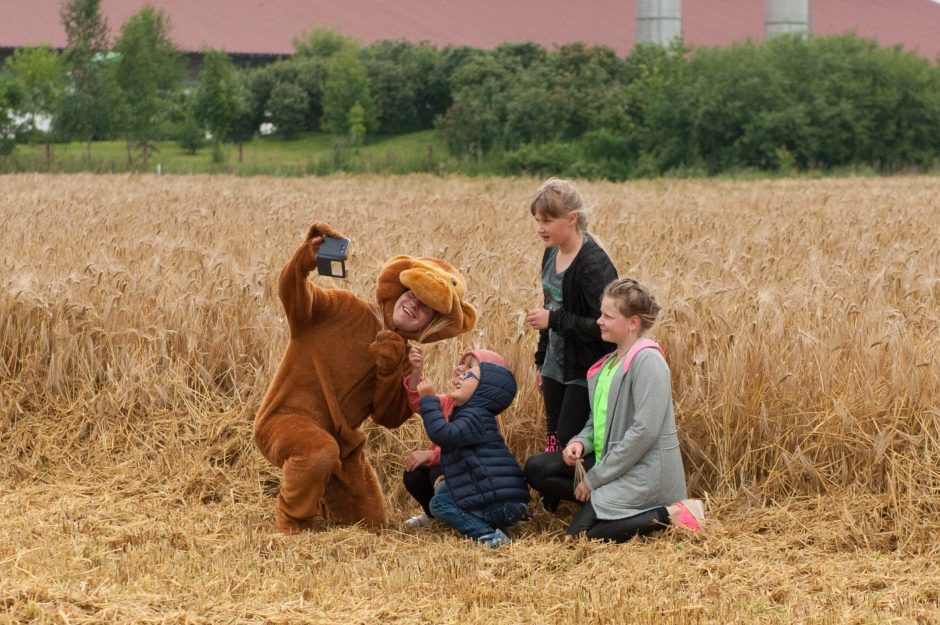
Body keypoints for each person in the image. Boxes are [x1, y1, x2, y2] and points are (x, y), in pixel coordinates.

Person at [253, 221, 477, 533]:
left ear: (433, 323)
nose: (413, 304)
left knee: (371, 523)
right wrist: (307, 259)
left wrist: (394, 373)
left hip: (340, 442)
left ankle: (315, 492)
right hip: (285, 419)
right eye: (412, 294)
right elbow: (293, 296)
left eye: (426, 307)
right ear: (398, 290)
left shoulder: (405, 358)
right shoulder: (343, 307)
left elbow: (388, 417)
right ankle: (291, 524)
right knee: (318, 453)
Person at [525, 277, 704, 542]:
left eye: (608, 316)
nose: (599, 321)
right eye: (601, 314)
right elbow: (597, 420)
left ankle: (673, 513)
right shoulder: (608, 364)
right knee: (536, 468)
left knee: (580, 536)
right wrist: (580, 443)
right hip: (613, 460)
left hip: (644, 471)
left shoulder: (648, 361)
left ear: (633, 323)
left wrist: (594, 479)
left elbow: (644, 432)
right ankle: (604, 505)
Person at [525, 178, 618, 460]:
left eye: (547, 221)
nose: (541, 228)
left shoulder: (593, 264)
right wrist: (541, 361)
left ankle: (580, 493)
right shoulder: (551, 252)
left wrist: (553, 320)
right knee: (552, 437)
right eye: (538, 221)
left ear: (571, 219)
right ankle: (550, 502)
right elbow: (548, 307)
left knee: (569, 438)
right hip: (555, 362)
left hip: (584, 367)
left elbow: (604, 326)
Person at [415, 350, 530, 547]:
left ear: (483, 388)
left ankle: (489, 536)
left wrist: (428, 400)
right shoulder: (472, 414)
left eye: (469, 373)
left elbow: (443, 434)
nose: (460, 374)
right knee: (444, 489)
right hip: (501, 500)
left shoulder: (475, 416)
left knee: (439, 504)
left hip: (502, 504)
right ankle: (495, 524)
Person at [400, 348, 510, 529]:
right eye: (462, 363)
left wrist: (432, 455)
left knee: (440, 469)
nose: (460, 368)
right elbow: (417, 403)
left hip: (475, 476)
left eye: (469, 368)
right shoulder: (449, 401)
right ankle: (434, 515)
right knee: (414, 473)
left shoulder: (483, 415)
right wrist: (416, 371)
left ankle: (473, 518)